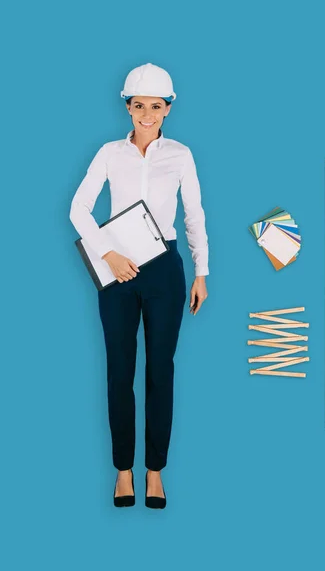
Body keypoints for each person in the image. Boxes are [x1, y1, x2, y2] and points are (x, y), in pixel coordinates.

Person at [69, 62, 209, 508]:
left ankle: (154, 472)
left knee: (160, 371)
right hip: (118, 268)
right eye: (138, 105)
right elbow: (78, 208)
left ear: (168, 109)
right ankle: (123, 471)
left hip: (164, 266)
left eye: (155, 106)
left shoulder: (181, 155)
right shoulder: (110, 153)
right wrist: (107, 253)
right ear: (127, 107)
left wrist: (202, 271)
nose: (146, 113)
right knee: (119, 371)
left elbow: (194, 216)